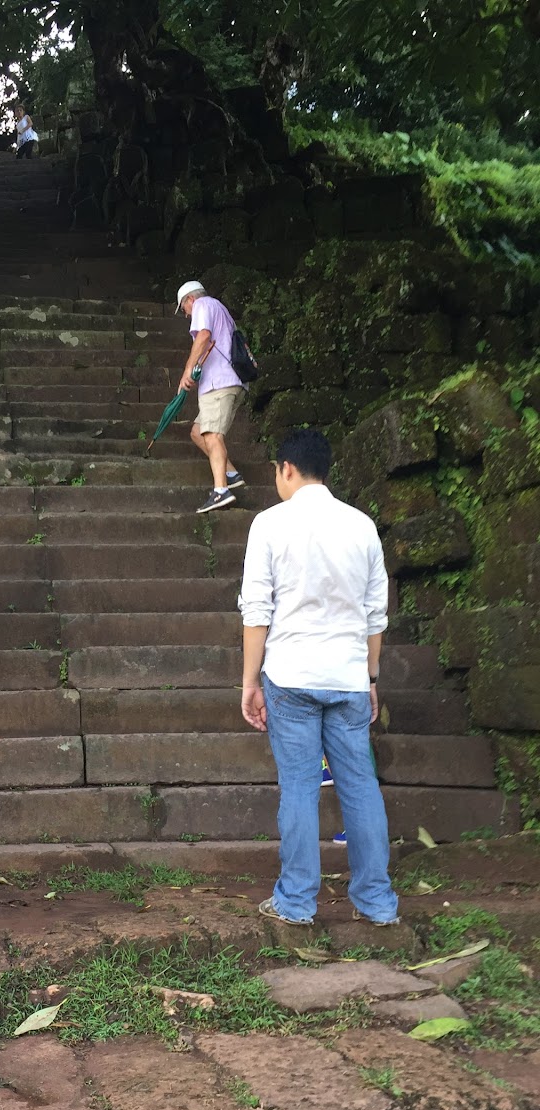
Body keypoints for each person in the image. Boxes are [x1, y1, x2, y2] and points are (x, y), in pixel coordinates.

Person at [238, 428, 400, 928]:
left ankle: (295, 902)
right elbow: (375, 615)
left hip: (290, 676)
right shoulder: (362, 526)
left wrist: (249, 682)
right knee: (361, 787)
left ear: (286, 468)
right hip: (348, 677)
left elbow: (257, 612)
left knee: (299, 788)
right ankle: (377, 902)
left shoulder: (269, 524)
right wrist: (371, 678)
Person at [175, 280, 247, 515]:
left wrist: (188, 369)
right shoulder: (220, 309)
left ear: (190, 299)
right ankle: (231, 474)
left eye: (184, 308)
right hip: (230, 381)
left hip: (220, 383)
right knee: (198, 432)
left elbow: (204, 335)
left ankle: (221, 491)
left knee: (212, 435)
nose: (186, 314)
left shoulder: (203, 305)